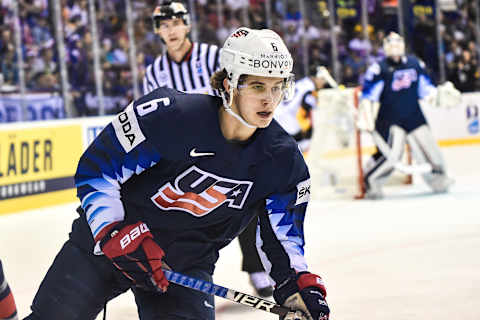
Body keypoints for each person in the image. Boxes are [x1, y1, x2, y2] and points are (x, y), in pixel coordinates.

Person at [24, 27, 330, 320]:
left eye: (277, 87)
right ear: (228, 84)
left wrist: (296, 288)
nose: (270, 100)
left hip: (183, 268)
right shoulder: (170, 116)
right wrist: (112, 231)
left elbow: (282, 238)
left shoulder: (283, 160)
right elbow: (98, 169)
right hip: (108, 248)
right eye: (258, 86)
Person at [142, 1, 273, 297]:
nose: (170, 30)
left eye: (175, 23)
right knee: (177, 209)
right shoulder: (154, 72)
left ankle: (255, 266)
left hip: (225, 141)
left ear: (187, 25)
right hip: (184, 153)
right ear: (158, 32)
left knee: (245, 201)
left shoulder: (213, 56)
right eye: (164, 25)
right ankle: (181, 273)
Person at [357, 32, 459, 199]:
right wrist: (365, 113)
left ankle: (439, 179)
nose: (395, 46)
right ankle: (371, 183)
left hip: (414, 115)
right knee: (392, 156)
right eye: (391, 43)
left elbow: (425, 88)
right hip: (391, 119)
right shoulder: (379, 69)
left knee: (431, 151)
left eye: (398, 43)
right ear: (385, 46)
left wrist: (438, 96)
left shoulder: (414, 63)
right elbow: (368, 96)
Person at [274, 66, 332, 155]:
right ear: (317, 78)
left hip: (277, 116)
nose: (323, 84)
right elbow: (306, 108)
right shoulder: (310, 90)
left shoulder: (303, 82)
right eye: (323, 80)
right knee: (306, 142)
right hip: (288, 123)